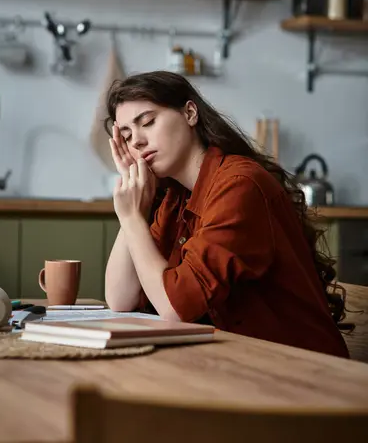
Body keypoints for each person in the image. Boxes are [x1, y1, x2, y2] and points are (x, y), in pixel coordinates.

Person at [104, 70, 349, 358]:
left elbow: (174, 308)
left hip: (303, 372)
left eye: (147, 122)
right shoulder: (175, 197)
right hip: (239, 363)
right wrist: (135, 210)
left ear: (190, 113)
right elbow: (120, 298)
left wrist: (133, 218)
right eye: (127, 136)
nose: (136, 142)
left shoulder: (239, 186)